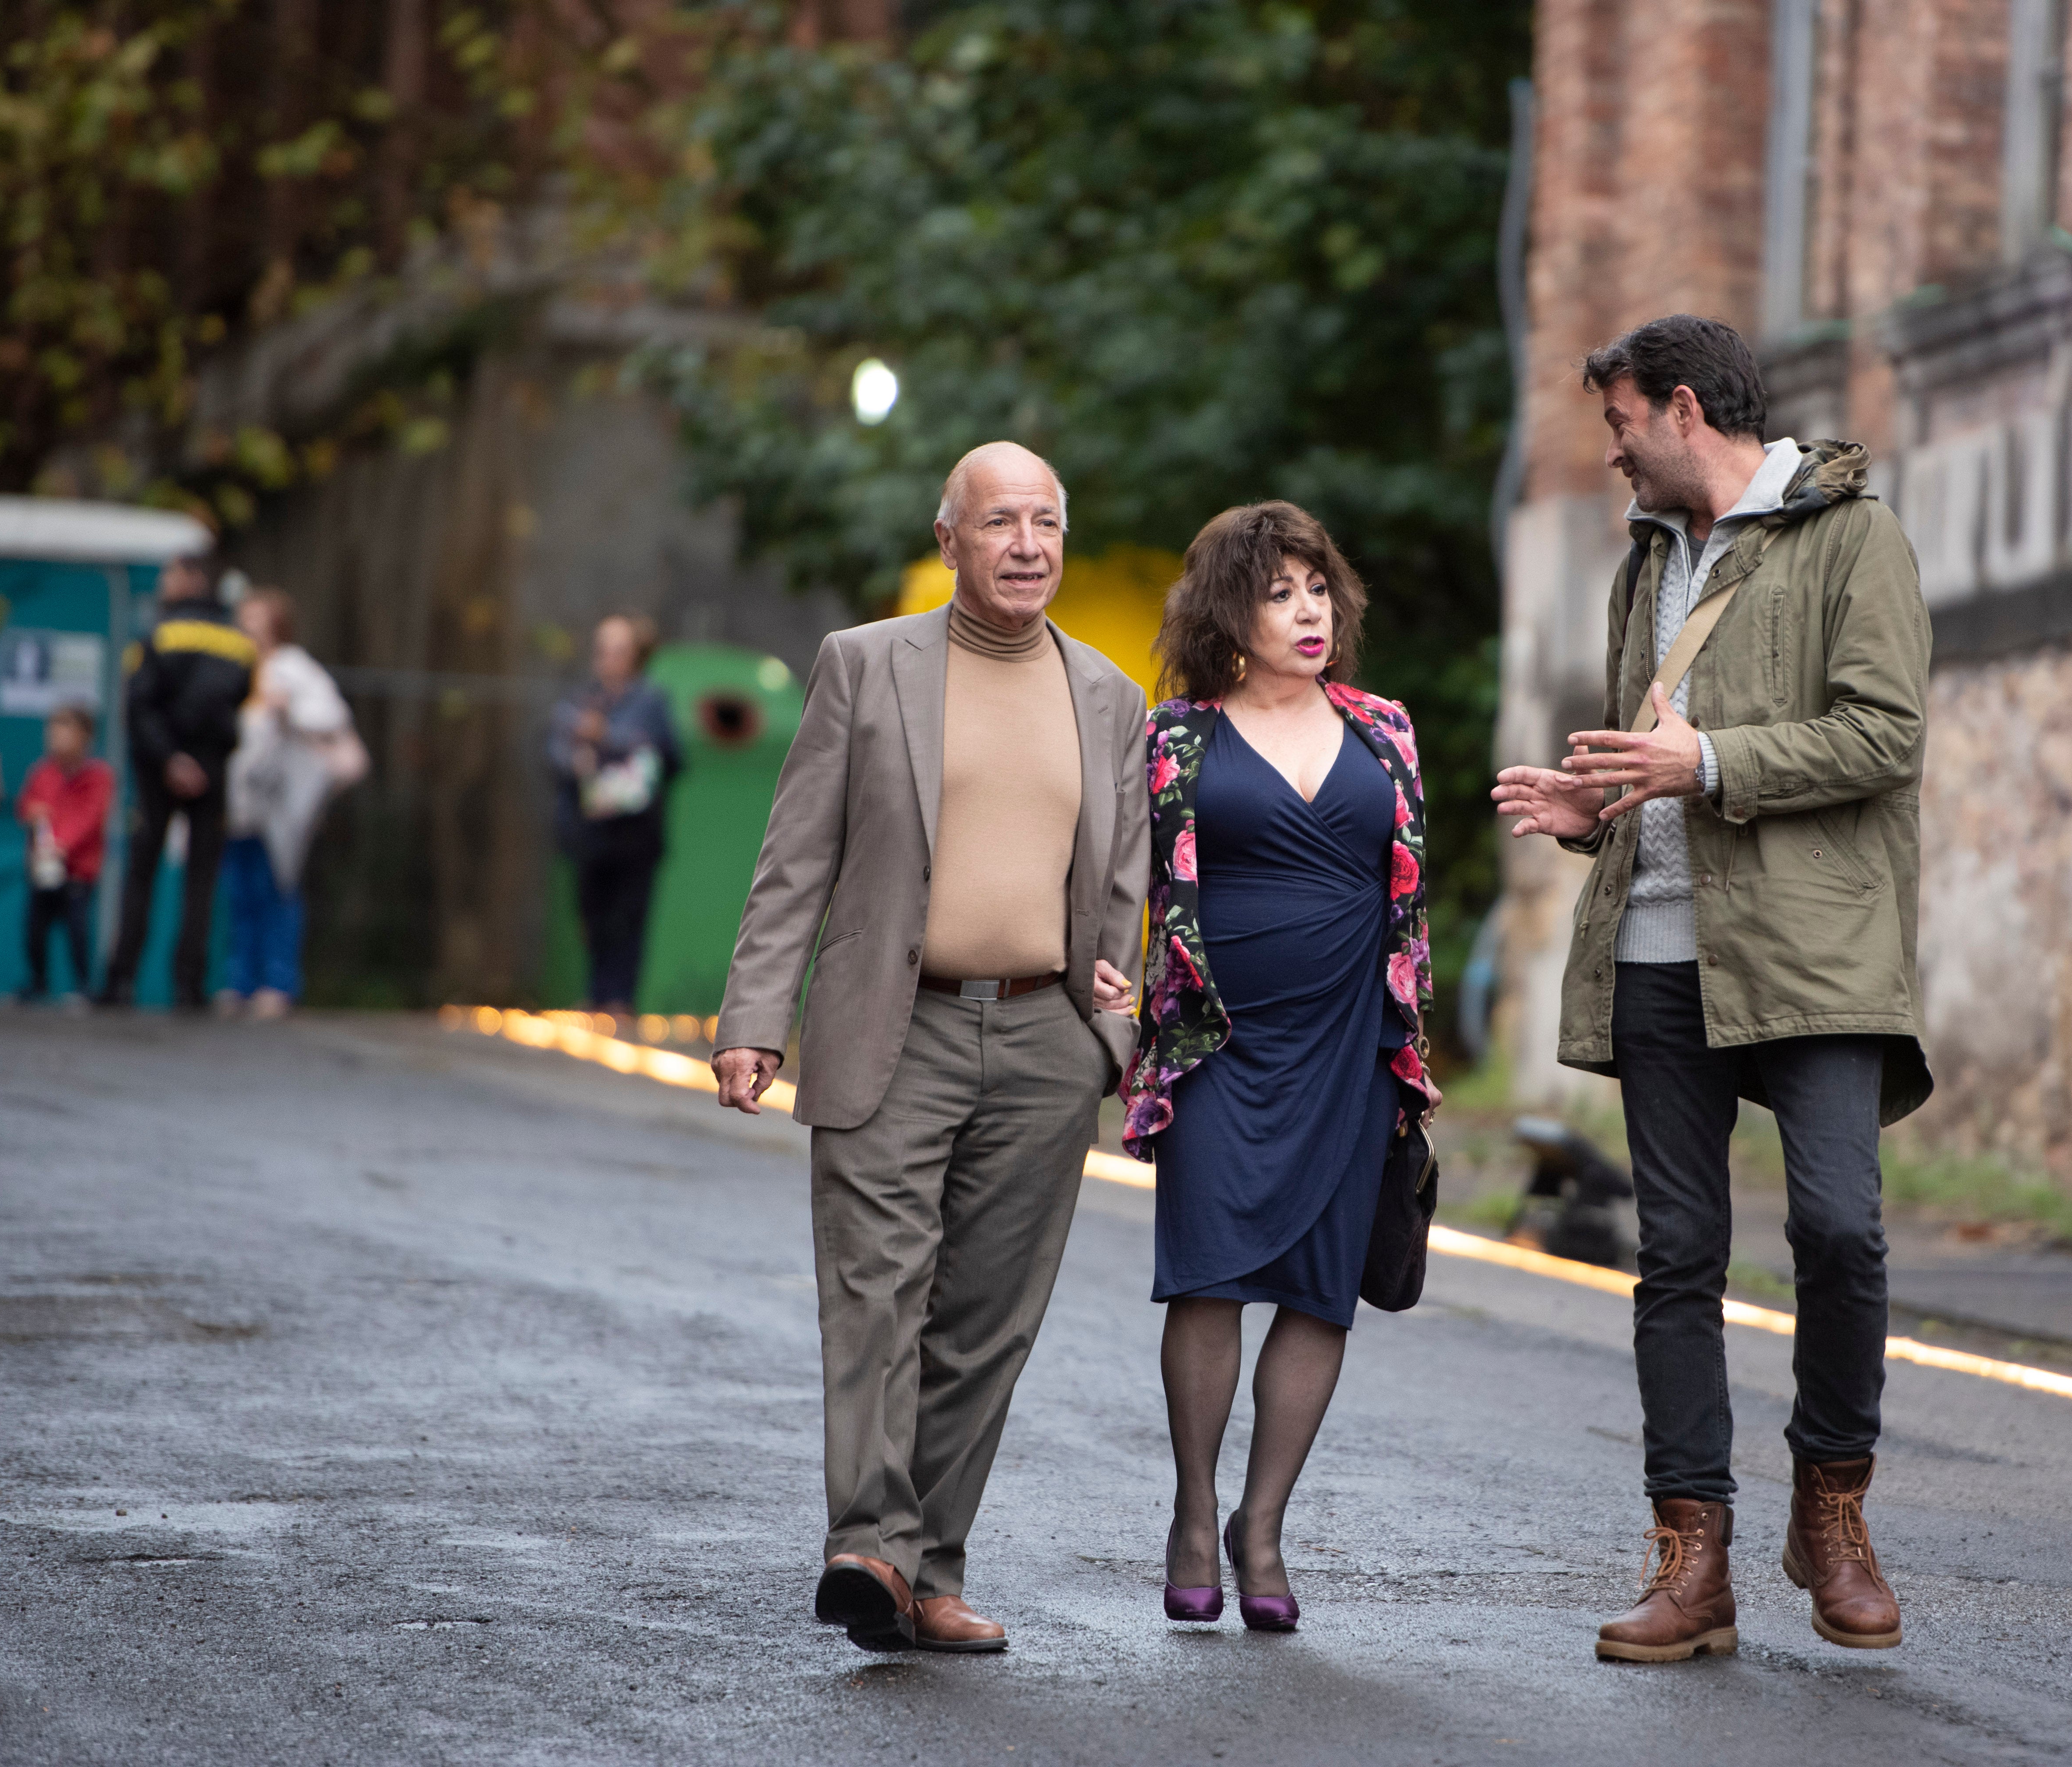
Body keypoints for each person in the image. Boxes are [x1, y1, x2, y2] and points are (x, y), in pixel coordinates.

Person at [1491, 315, 1933, 1663]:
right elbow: (1657, 754)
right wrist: (1594, 807)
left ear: (1683, 409)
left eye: (1620, 423)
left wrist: (1710, 767)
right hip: (1657, 950)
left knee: (1840, 1230)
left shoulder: (1850, 536)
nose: (1609, 453)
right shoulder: (1646, 561)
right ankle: (1693, 1562)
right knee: (1673, 1257)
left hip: (1815, 952)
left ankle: (1833, 1509)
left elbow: (1886, 732)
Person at [709, 441, 1148, 1656]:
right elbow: (796, 855)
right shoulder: (866, 667)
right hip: (889, 1029)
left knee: (988, 1321)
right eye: (999, 521)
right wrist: (755, 1017)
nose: (1027, 544)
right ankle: (868, 1547)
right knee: (874, 1297)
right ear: (949, 539)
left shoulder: (1109, 695)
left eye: (1047, 521)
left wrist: (1110, 1033)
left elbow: (1121, 886)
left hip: (1047, 1044)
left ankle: (932, 1571)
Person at [1120, 502, 1439, 1632]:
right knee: (1207, 1273)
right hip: (1214, 1042)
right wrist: (1117, 978)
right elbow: (1129, 882)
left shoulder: (1383, 728)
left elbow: (1408, 902)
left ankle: (1263, 1527)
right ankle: (1195, 1513)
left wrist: (1411, 1048)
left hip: (1351, 1043)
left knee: (1317, 1289)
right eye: (1277, 593)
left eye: (1317, 590)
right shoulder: (1173, 738)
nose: (1306, 612)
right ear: (1228, 613)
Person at [101, 552, 252, 1010]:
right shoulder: (239, 643)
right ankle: (189, 987)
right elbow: (235, 702)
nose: (164, 582)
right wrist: (201, 759)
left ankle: (121, 980)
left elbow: (141, 705)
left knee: (142, 872)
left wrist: (170, 758)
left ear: (193, 579)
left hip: (158, 768)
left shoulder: (160, 635)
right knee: (201, 879)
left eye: (170, 574)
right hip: (212, 770)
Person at [217, 588, 366, 1020]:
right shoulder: (235, 667)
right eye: (245, 617)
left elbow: (330, 717)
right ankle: (240, 980)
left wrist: (290, 710)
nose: (249, 626)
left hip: (282, 804)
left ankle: (278, 982)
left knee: (277, 888)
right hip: (240, 802)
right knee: (240, 894)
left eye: (259, 618)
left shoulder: (295, 669)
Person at [549, 613, 682, 1016]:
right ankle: (594, 995)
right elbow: (555, 754)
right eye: (604, 650)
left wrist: (606, 738)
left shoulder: (651, 701)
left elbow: (671, 757)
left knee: (629, 915)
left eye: (620, 650)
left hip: (637, 834)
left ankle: (620, 1000)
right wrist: (579, 760)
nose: (611, 659)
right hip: (590, 831)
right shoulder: (578, 701)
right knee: (592, 914)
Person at [14, 704, 112, 1005]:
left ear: (85, 737)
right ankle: (38, 982)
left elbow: (91, 817)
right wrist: (32, 813)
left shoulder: (99, 776)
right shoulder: (42, 773)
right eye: (53, 732)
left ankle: (83, 987)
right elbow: (25, 807)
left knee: (77, 930)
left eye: (65, 732)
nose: (57, 738)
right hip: (43, 869)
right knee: (34, 929)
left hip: (78, 871)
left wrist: (63, 844)